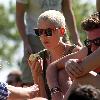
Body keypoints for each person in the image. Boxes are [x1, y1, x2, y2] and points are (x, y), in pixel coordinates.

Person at [16, 0, 82, 85]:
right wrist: (25, 41)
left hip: (58, 33)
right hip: (35, 36)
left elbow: (67, 10)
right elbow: (19, 14)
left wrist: (76, 39)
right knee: (30, 79)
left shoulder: (74, 49)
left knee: (68, 74)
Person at [46, 11, 100, 100]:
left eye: (98, 42)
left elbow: (80, 74)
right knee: (63, 73)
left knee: (82, 78)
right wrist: (55, 91)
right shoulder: (88, 50)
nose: (93, 48)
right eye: (89, 43)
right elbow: (53, 66)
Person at [28, 10, 81, 100]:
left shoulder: (76, 53)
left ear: (62, 31)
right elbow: (41, 98)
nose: (43, 36)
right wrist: (37, 76)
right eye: (40, 32)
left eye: (48, 31)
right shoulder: (40, 58)